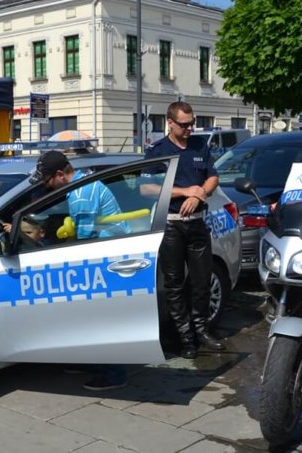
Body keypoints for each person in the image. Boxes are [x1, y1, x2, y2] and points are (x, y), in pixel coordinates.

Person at [32, 150, 128, 391]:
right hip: (105, 251)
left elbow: (84, 241)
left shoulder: (82, 194)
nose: (47, 188)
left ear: (60, 175)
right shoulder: (82, 184)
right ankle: (92, 363)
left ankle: (113, 374)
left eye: (47, 182)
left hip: (106, 257)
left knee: (100, 319)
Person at [141, 101, 224, 359]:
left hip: (197, 222)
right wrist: (185, 191)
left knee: (201, 281)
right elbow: (146, 189)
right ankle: (186, 338)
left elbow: (212, 176)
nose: (189, 128)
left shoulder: (199, 146)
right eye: (184, 124)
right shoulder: (158, 151)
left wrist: (200, 195)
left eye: (192, 124)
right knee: (175, 285)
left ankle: (202, 330)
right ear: (170, 122)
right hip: (171, 224)